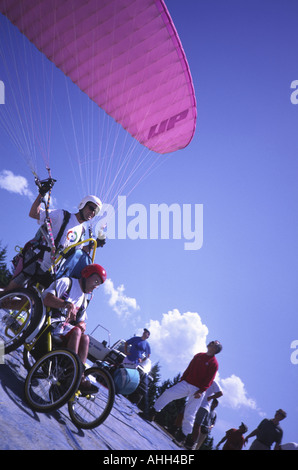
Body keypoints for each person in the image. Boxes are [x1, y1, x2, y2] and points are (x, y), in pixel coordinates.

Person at [6, 191, 103, 290]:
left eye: (95, 212)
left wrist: (96, 244)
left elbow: (78, 251)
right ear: (83, 204)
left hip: (48, 269)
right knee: (10, 292)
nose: (92, 213)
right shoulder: (62, 215)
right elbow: (34, 214)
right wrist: (41, 194)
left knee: (29, 303)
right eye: (91, 208)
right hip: (35, 258)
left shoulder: (82, 231)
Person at [140, 340, 222, 446]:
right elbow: (189, 369)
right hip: (186, 383)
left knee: (190, 413)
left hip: (197, 390)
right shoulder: (198, 355)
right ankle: (152, 413)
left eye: (213, 343)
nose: (210, 343)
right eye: (211, 342)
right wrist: (182, 380)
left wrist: (201, 391)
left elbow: (209, 380)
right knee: (168, 393)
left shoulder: (214, 363)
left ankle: (183, 436)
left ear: (215, 349)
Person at [42, 263, 107, 391]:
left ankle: (80, 377)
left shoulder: (83, 300)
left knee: (86, 338)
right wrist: (65, 304)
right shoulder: (67, 283)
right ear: (86, 274)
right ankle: (72, 373)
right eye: (95, 280)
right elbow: (46, 299)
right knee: (77, 331)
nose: (96, 286)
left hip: (65, 332)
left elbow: (81, 322)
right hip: (51, 323)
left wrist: (82, 324)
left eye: (98, 284)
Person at [184, 380, 223, 449]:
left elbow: (220, 393)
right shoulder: (203, 377)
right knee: (187, 420)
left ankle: (192, 444)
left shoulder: (214, 383)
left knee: (197, 425)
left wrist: (211, 397)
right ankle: (183, 438)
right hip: (195, 402)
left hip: (203, 407)